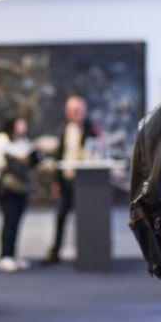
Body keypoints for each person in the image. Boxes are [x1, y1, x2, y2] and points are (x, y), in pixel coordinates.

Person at [45, 95, 99, 264]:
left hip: (84, 182)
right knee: (61, 216)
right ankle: (55, 252)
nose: (75, 113)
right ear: (67, 112)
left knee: (84, 218)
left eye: (78, 110)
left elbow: (96, 152)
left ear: (84, 111)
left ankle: (84, 253)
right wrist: (56, 181)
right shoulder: (63, 130)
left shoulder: (91, 130)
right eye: (72, 110)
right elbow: (58, 157)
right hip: (66, 181)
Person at [0, 114, 42, 272]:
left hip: (22, 188)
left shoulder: (23, 141)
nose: (23, 125)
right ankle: (5, 256)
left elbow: (31, 159)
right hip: (7, 188)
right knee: (9, 221)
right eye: (20, 122)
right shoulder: (1, 140)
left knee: (17, 222)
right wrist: (17, 159)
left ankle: (12, 255)